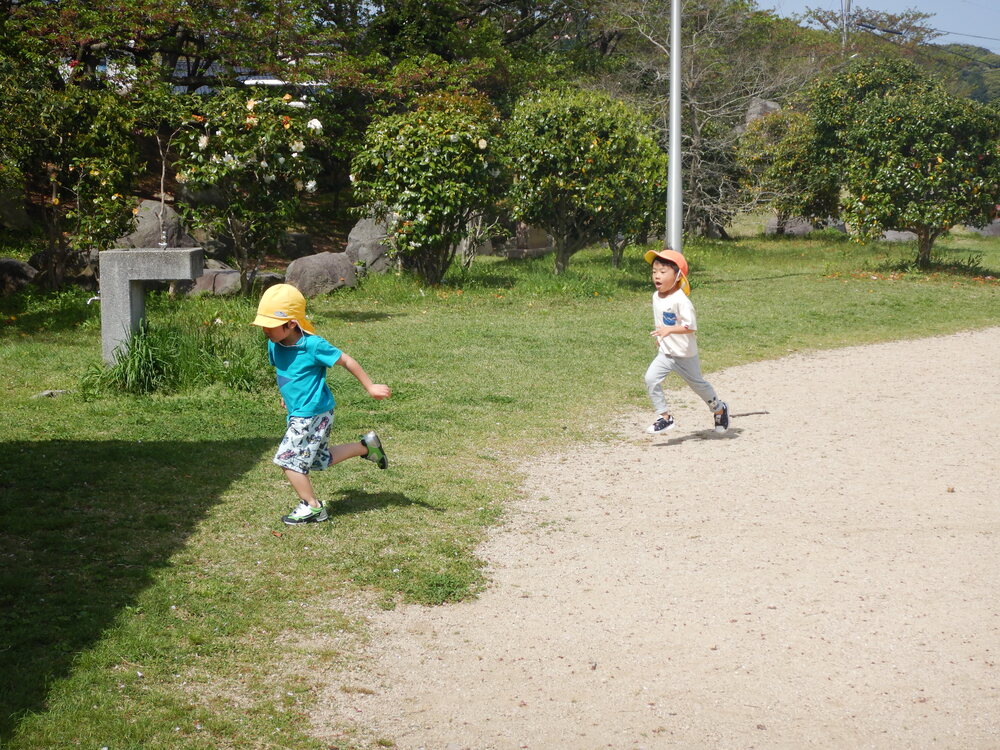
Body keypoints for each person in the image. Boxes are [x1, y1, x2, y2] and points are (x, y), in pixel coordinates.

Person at [251, 284, 392, 525]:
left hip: (313, 413)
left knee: (288, 459)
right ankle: (366, 447)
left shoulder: (313, 345)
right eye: (263, 324)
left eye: (271, 325)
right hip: (300, 411)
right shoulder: (274, 344)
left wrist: (370, 386)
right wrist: (287, 394)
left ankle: (313, 507)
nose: (265, 330)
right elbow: (286, 372)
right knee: (318, 458)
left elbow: (346, 360)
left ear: (292, 324)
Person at [642, 248, 729, 435]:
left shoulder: (681, 301)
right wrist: (661, 336)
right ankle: (665, 417)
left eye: (663, 272)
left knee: (699, 386)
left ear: (678, 275)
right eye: (654, 272)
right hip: (666, 353)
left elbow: (690, 327)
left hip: (685, 354)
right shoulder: (656, 296)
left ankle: (720, 410)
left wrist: (669, 330)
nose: (657, 276)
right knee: (651, 379)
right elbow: (661, 320)